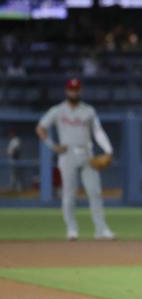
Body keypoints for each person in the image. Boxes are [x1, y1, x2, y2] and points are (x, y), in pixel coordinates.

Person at [36, 78, 115, 240]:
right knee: (69, 194)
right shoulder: (57, 110)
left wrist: (108, 150)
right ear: (67, 91)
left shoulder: (89, 111)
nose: (74, 92)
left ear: (81, 91)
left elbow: (98, 132)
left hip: (87, 154)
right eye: (72, 89)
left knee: (95, 192)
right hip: (67, 155)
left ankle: (101, 230)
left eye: (77, 89)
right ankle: (72, 229)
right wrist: (53, 145)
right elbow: (40, 128)